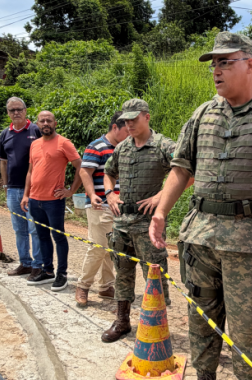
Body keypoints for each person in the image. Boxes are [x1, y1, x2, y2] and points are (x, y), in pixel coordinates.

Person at [149, 32, 252, 380]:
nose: (216, 70)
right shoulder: (202, 114)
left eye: (225, 62)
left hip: (247, 244)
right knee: (200, 323)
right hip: (199, 239)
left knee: (247, 333)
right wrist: (162, 212)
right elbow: (181, 169)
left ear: (250, 64)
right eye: (214, 64)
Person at [100, 99, 178, 343]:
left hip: (148, 225)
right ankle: (122, 321)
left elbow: (187, 172)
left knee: (154, 275)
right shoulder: (123, 147)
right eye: (125, 120)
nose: (129, 124)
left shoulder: (164, 146)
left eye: (134, 119)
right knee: (122, 274)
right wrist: (110, 193)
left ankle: (156, 325)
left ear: (147, 117)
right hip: (122, 222)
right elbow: (108, 172)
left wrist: (161, 196)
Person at [21, 111, 83, 291]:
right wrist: (26, 195)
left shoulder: (64, 143)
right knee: (42, 236)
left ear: (55, 123)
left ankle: (62, 274)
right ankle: (47, 271)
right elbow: (31, 172)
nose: (46, 123)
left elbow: (80, 166)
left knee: (58, 236)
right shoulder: (34, 145)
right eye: (42, 121)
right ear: (37, 124)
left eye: (49, 120)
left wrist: (71, 190)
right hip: (35, 199)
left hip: (54, 201)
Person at [74, 111, 129, 308]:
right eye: (126, 130)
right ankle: (83, 286)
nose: (129, 133)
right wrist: (91, 194)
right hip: (100, 205)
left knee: (112, 248)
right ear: (115, 127)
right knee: (98, 247)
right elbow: (84, 171)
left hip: (120, 207)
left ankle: (106, 286)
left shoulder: (126, 148)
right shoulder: (97, 146)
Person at [0, 97, 43, 279]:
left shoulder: (36, 130)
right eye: (12, 110)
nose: (16, 112)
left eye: (19, 109)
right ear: (8, 113)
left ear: (25, 111)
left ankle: (38, 265)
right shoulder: (5, 134)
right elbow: (3, 162)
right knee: (19, 229)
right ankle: (25, 263)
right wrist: (5, 185)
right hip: (13, 189)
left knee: (35, 229)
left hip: (34, 190)